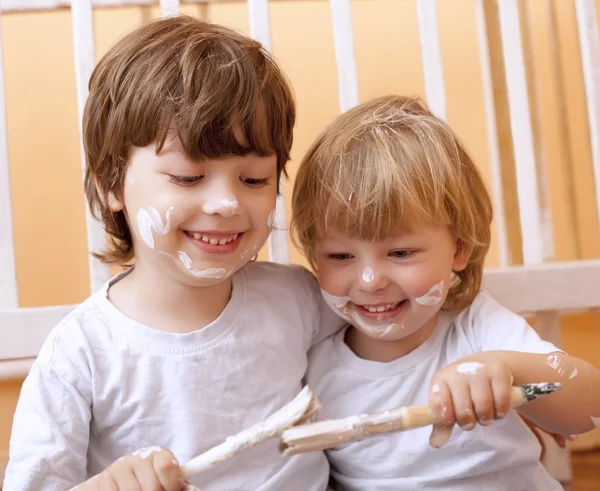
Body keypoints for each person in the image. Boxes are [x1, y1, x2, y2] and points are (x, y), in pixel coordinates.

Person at [4, 16, 342, 491]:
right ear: (110, 185)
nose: (227, 204)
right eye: (187, 177)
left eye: (254, 180)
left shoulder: (298, 299)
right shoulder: (79, 356)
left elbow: (396, 346)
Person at [291, 94, 600, 490]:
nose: (369, 281)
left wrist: (506, 369)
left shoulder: (477, 329)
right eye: (339, 255)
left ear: (458, 249)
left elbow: (588, 408)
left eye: (400, 252)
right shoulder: (314, 364)